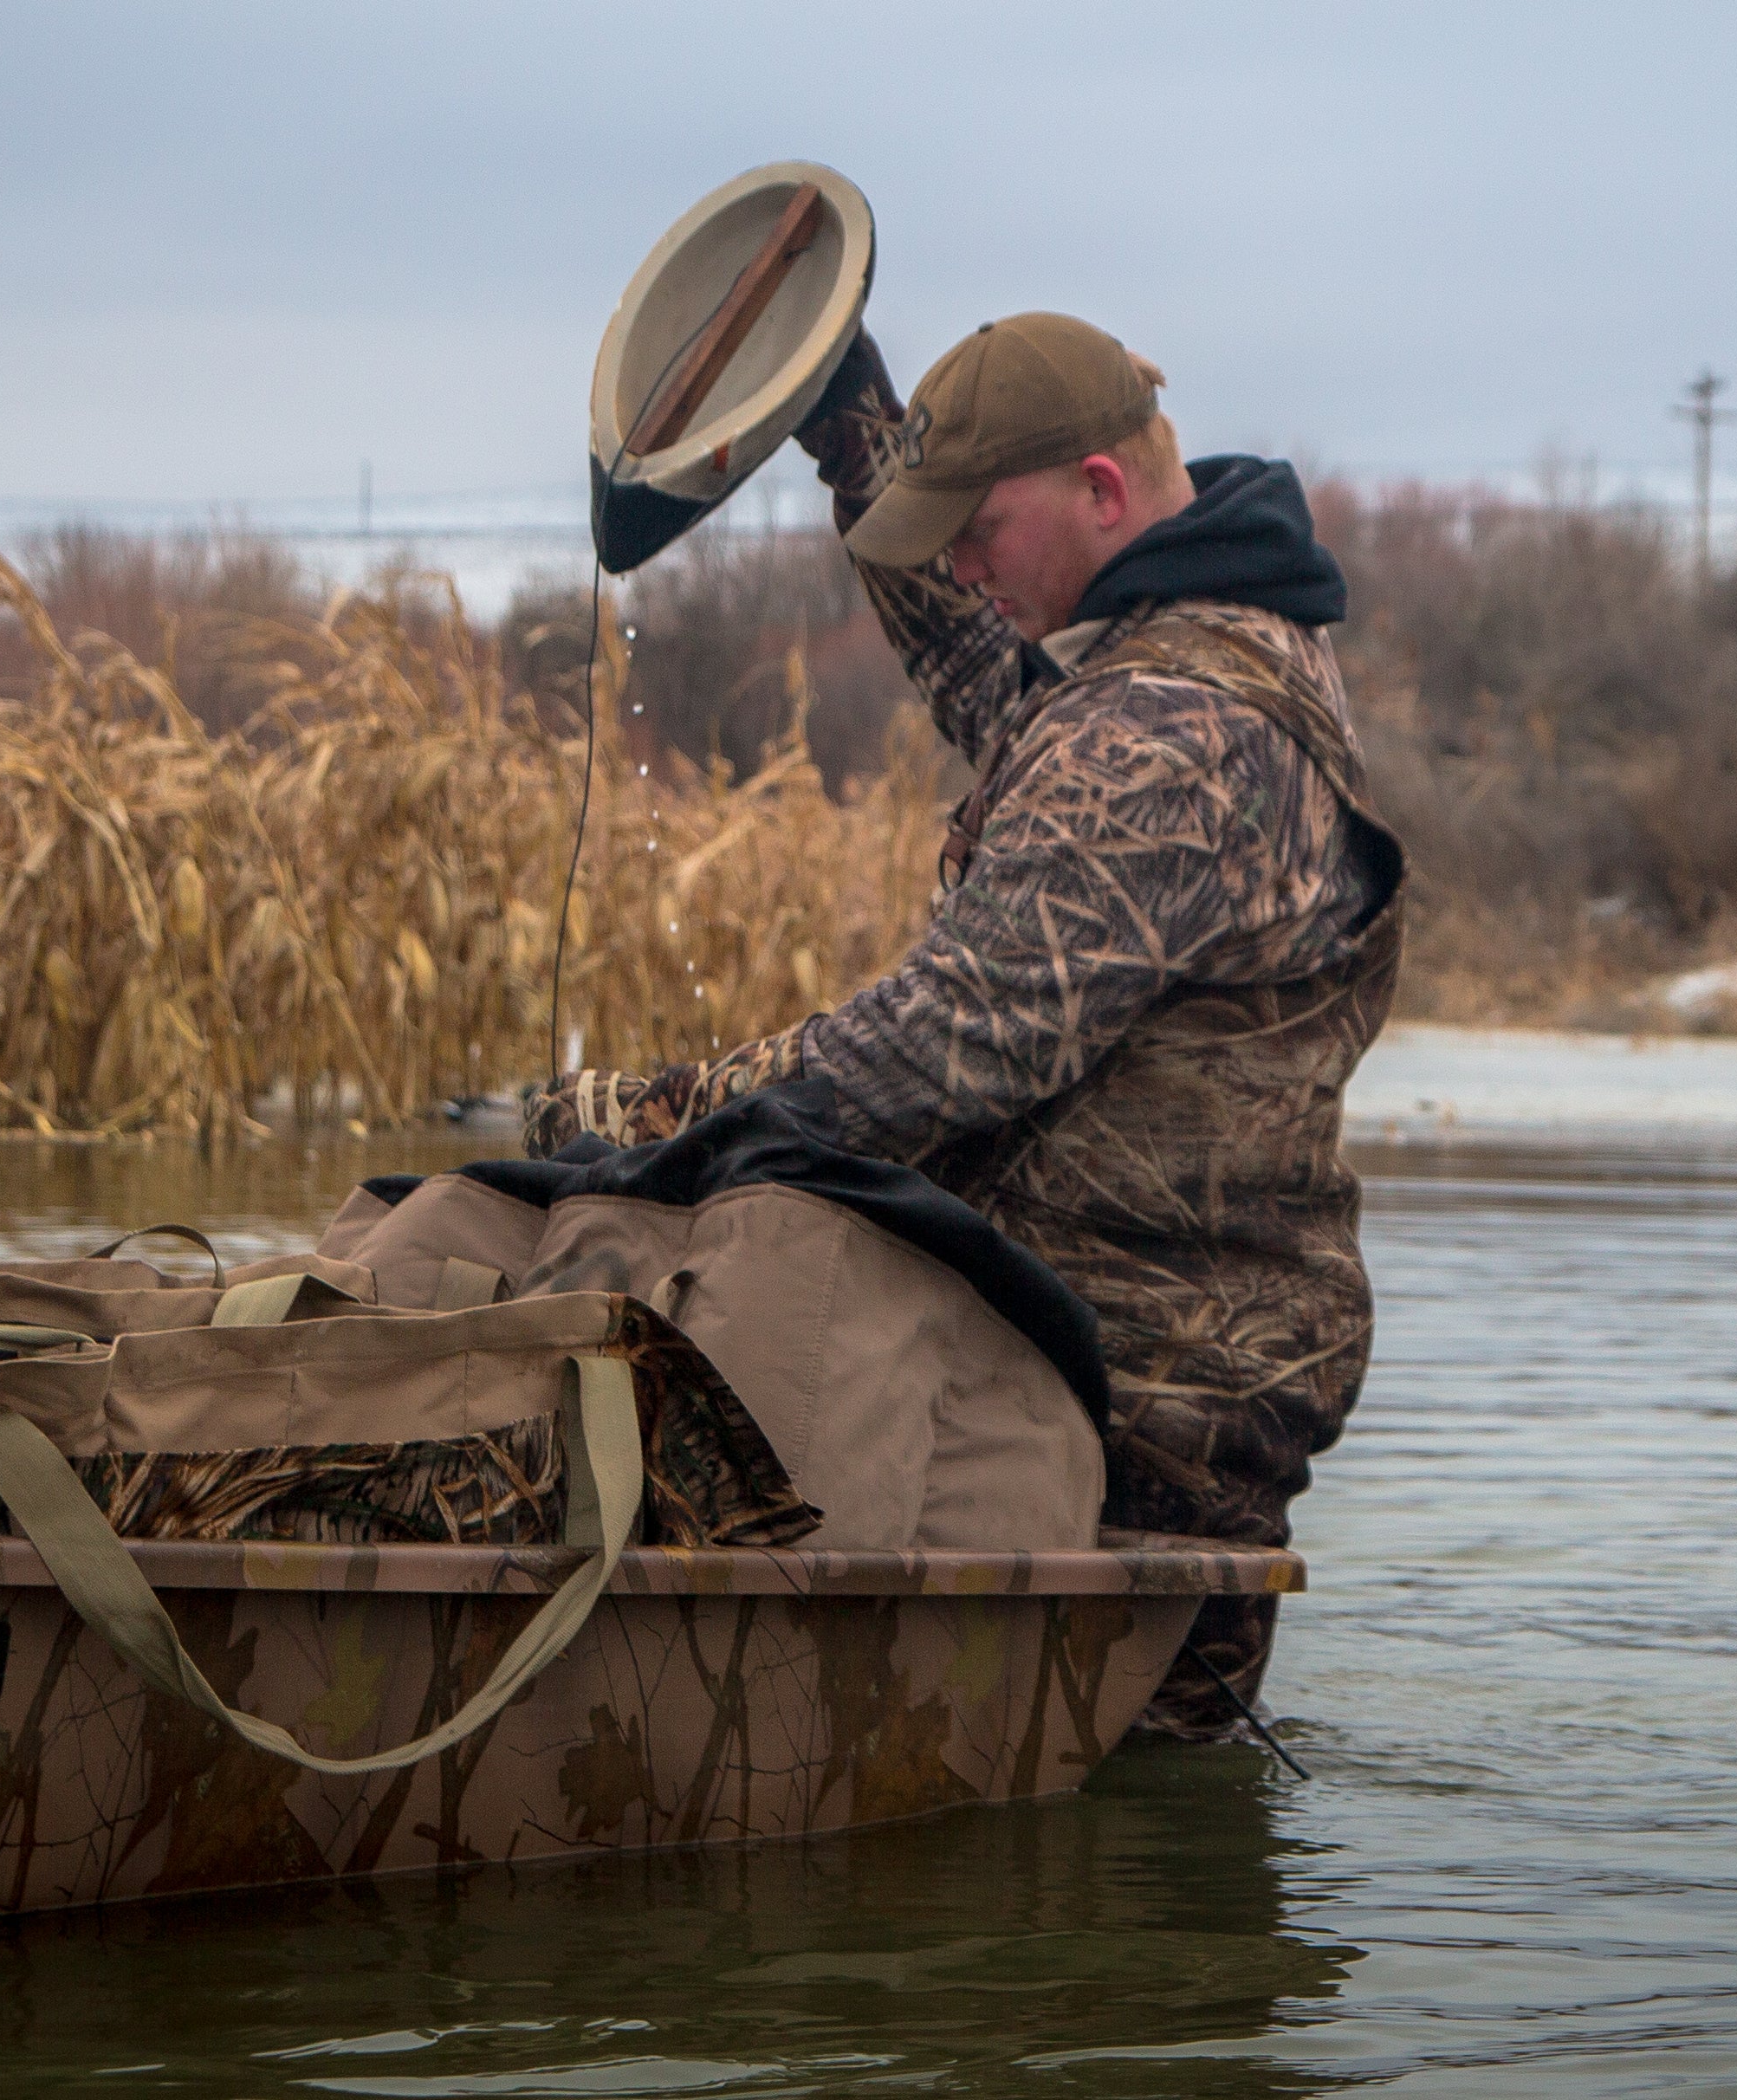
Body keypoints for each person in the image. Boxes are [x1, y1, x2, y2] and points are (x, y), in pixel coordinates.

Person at [528, 311, 1403, 1736]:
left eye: (979, 527)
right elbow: (997, 689)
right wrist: (854, 431)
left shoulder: (1168, 734)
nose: (962, 568)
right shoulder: (1194, 647)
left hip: (1144, 1404)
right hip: (1086, 1357)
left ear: (1102, 497)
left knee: (1112, 1870)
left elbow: (957, 1036)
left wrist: (641, 1122)